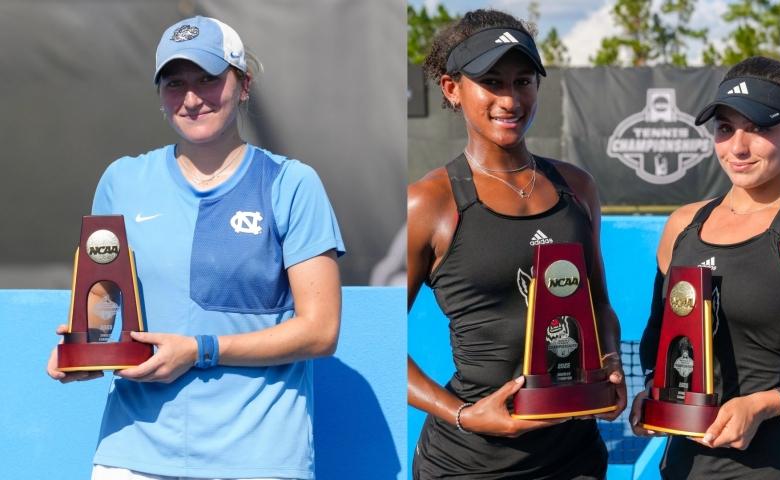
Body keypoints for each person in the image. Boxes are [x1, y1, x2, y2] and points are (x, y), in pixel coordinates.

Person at [46, 15, 345, 480]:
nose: (191, 98)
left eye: (207, 79)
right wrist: (86, 350)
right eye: (175, 83)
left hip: (258, 457)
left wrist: (200, 349)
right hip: (134, 453)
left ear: (243, 85)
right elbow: (103, 298)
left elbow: (320, 331)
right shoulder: (122, 180)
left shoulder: (291, 184)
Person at [408, 9, 627, 479]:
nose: (509, 100)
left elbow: (599, 305)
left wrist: (611, 363)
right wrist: (463, 414)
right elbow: (382, 341)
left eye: (522, 82)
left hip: (575, 458)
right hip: (468, 464)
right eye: (491, 82)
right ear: (452, 88)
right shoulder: (428, 203)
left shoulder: (578, 188)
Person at [629, 56, 780, 479]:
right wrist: (652, 392)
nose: (738, 147)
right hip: (683, 466)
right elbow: (659, 336)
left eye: (759, 128)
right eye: (726, 128)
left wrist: (767, 403)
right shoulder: (683, 224)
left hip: (776, 467)